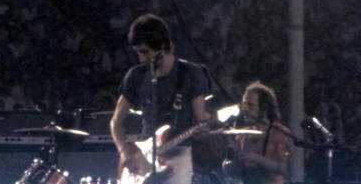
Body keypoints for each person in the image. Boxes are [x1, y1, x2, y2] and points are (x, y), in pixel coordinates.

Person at [110, 14, 211, 184]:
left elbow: (201, 120)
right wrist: (124, 151)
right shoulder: (136, 75)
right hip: (143, 159)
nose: (141, 59)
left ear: (162, 47)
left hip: (179, 155)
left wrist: (204, 128)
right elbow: (116, 121)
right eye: (138, 53)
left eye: (145, 52)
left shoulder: (191, 73)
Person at [223, 81, 291, 184]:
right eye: (244, 105)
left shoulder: (279, 132)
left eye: (250, 105)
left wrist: (257, 159)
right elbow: (234, 171)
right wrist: (229, 162)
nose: (244, 110)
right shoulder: (242, 135)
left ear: (264, 108)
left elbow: (285, 168)